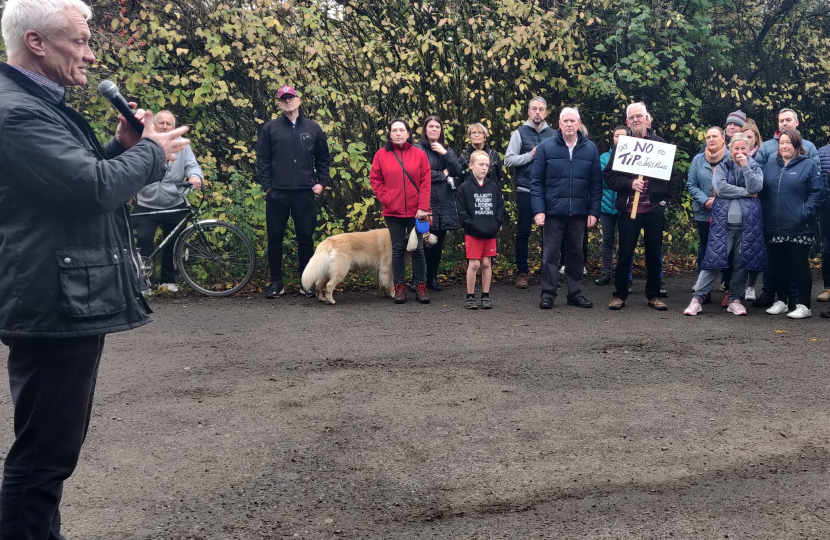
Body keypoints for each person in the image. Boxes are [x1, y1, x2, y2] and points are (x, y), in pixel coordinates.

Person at [0, 0, 191, 536]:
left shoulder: (38, 104)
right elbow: (94, 189)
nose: (89, 53)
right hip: (52, 302)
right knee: (42, 459)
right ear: (37, 42)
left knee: (50, 454)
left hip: (62, 297)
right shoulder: (18, 110)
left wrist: (120, 148)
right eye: (80, 41)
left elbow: (69, 185)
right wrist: (150, 152)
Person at [256, 84, 331, 299]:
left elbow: (323, 158)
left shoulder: (313, 128)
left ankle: (305, 282)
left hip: (304, 192)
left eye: (291, 97)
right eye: (283, 99)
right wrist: (268, 186)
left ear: (298, 100)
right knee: (275, 238)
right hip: (277, 192)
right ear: (279, 103)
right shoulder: (270, 128)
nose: (288, 101)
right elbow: (262, 158)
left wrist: (322, 182)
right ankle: (276, 282)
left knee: (306, 237)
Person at [605, 102, 678, 310]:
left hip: (653, 210)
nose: (636, 120)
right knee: (625, 254)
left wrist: (663, 199)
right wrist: (629, 184)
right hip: (629, 210)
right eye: (632, 117)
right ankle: (619, 295)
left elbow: (673, 176)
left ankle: (654, 295)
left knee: (654, 254)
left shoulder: (660, 145)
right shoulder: (623, 147)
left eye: (640, 116)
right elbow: (609, 177)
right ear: (627, 122)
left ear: (648, 119)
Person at [684, 134, 764, 316]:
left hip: (748, 224)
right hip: (723, 223)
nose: (740, 152)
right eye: (736, 148)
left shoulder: (755, 167)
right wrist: (746, 192)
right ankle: (697, 299)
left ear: (749, 149)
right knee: (713, 261)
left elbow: (757, 187)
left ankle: (735, 299)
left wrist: (745, 168)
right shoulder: (722, 166)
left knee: (741, 264)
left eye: (744, 148)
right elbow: (721, 189)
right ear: (730, 149)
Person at [531, 107, 602, 309]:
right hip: (552, 212)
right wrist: (539, 210)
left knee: (576, 255)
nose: (569, 124)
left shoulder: (590, 149)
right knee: (550, 255)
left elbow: (596, 185)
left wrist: (593, 212)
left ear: (579, 124)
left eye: (573, 121)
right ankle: (548, 294)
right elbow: (536, 181)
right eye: (565, 121)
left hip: (579, 213)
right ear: (559, 124)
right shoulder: (546, 147)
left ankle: (575, 293)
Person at [751, 108, 821, 308]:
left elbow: (817, 192)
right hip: (775, 224)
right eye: (782, 143)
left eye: (789, 143)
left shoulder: (808, 164)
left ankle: (803, 305)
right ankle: (781, 301)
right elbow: (761, 188)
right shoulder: (771, 164)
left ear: (797, 144)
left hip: (799, 225)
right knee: (779, 266)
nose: (785, 146)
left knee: (798, 265)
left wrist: (804, 212)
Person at [132, 110, 204, 293]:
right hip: (145, 202)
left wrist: (195, 177)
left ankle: (168, 281)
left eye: (168, 124)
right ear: (154, 125)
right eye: (161, 123)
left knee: (173, 244)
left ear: (174, 127)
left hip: (174, 202)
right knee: (143, 242)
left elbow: (191, 164)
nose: (164, 126)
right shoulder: (143, 142)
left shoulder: (182, 145)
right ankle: (144, 282)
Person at [369, 118, 432, 304]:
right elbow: (375, 180)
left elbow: (425, 182)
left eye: (401, 130)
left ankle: (420, 285)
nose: (398, 133)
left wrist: (423, 207)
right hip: (392, 211)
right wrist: (386, 198)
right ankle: (399, 287)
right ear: (389, 134)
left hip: (416, 212)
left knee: (418, 249)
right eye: (394, 130)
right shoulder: (381, 155)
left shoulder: (419, 154)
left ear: (408, 133)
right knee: (397, 249)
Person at [504, 97, 554, 289]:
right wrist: (530, 155)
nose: (538, 112)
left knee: (548, 233)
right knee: (523, 232)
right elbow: (508, 160)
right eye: (534, 109)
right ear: (528, 112)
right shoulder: (520, 133)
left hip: (548, 191)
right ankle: (522, 273)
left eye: (541, 109)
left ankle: (547, 271)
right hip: (525, 189)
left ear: (546, 113)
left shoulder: (553, 134)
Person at [416, 116, 463, 291]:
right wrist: (442, 175)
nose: (434, 129)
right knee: (422, 242)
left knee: (438, 243)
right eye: (431, 126)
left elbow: (458, 170)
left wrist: (445, 153)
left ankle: (432, 278)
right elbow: (421, 175)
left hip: (444, 202)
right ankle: (418, 279)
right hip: (425, 202)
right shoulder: (418, 149)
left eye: (437, 126)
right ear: (425, 129)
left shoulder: (446, 149)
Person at [687, 127, 732, 306]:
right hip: (703, 213)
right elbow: (691, 184)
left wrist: (719, 200)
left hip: (726, 212)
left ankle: (728, 290)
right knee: (705, 250)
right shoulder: (698, 160)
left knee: (727, 251)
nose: (711, 140)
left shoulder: (731, 159)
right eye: (708, 137)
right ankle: (703, 292)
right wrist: (705, 200)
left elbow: (735, 183)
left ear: (723, 139)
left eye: (715, 136)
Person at [457, 151, 505, 309]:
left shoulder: (493, 186)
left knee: (486, 263)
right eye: (481, 164)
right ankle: (470, 296)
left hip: (490, 231)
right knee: (474, 264)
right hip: (473, 232)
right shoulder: (464, 187)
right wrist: (470, 226)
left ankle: (485, 295)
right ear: (471, 166)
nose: (484, 168)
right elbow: (462, 211)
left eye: (487, 165)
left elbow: (500, 208)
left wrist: (496, 224)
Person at [595, 126, 632, 286]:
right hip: (605, 206)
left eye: (622, 136)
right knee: (607, 240)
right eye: (616, 136)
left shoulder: (633, 156)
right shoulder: (603, 157)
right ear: (613, 138)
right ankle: (606, 272)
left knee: (626, 240)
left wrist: (617, 180)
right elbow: (601, 179)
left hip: (625, 205)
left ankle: (625, 274)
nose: (619, 139)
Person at [739, 120, 763, 300]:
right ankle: (735, 286)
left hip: (757, 206)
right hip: (739, 206)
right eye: (744, 136)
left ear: (756, 138)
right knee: (739, 249)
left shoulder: (761, 156)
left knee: (754, 247)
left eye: (750, 137)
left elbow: (758, 185)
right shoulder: (733, 156)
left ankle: (751, 286)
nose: (746, 140)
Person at [816, 140, 830, 311]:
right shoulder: (822, 152)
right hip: (826, 206)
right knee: (827, 248)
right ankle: (828, 287)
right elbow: (817, 179)